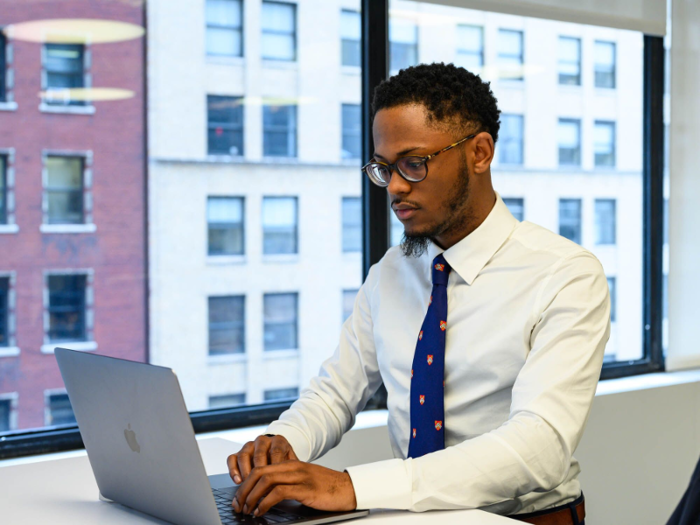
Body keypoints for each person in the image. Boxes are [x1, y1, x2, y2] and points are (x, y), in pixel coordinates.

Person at [227, 62, 609, 525]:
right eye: (384, 168)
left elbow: (539, 446)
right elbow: (335, 393)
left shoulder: (565, 274)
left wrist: (350, 487)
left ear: (480, 153)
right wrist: (284, 443)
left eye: (414, 163)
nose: (397, 188)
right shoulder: (392, 271)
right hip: (411, 516)